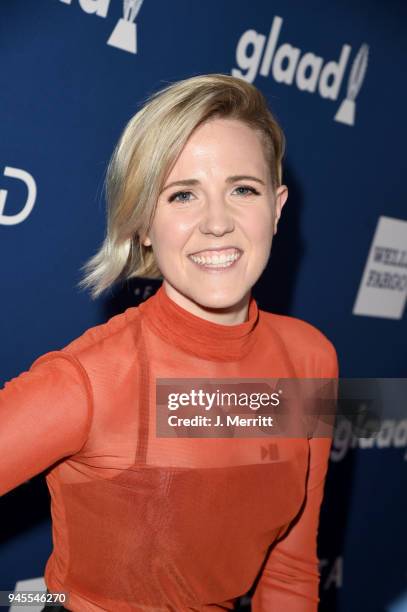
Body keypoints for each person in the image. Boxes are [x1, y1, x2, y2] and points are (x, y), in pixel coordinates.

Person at [0, 73, 339, 611]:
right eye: (183, 195)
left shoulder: (310, 359)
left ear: (276, 208)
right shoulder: (91, 378)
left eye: (242, 190)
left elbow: (289, 569)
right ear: (144, 226)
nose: (217, 223)